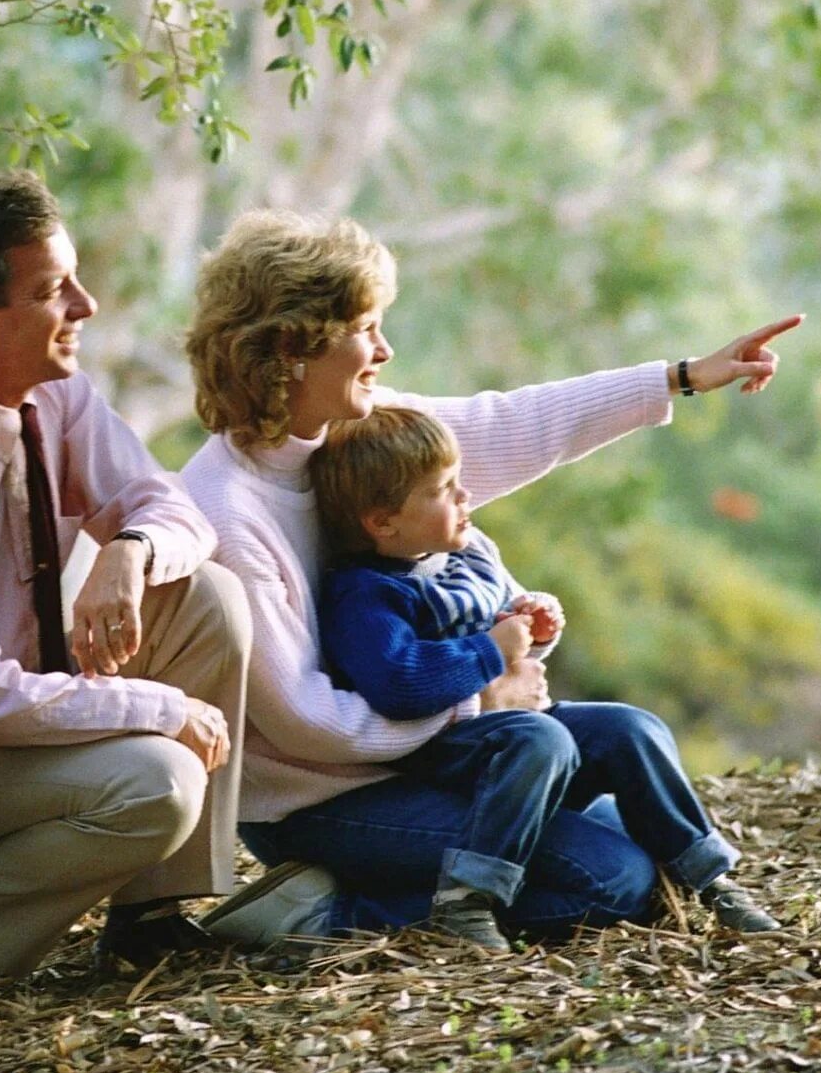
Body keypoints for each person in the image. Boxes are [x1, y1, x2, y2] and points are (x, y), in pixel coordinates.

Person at [180, 209, 799, 947]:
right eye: (364, 328)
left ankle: (455, 865)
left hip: (438, 755)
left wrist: (684, 376)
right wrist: (481, 695)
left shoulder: (360, 426)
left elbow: (510, 423)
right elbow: (310, 720)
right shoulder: (227, 509)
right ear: (291, 346)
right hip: (324, 799)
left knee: (625, 787)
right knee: (614, 880)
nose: (384, 349)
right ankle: (325, 910)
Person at [0, 171, 251, 995]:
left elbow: (174, 509)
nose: (86, 304)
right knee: (159, 780)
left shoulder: (52, 392)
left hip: (5, 724)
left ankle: (153, 917)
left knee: (210, 598)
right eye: (51, 289)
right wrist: (162, 707)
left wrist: (130, 551)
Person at [307, 404, 780, 946]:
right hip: (432, 758)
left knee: (631, 729)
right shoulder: (365, 594)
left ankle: (708, 876)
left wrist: (529, 626)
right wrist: (491, 649)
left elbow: (500, 640)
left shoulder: (459, 558)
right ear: (381, 521)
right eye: (442, 490)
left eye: (459, 482)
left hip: (506, 736)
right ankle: (465, 900)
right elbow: (401, 684)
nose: (464, 499)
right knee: (542, 740)